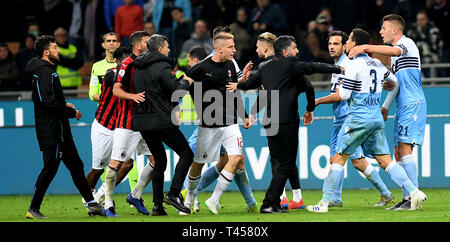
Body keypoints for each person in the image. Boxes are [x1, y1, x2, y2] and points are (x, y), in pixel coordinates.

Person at [308, 28, 427, 213]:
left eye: (348, 41)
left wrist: (343, 87)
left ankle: (324, 204)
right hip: (376, 119)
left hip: (357, 119)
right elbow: (394, 81)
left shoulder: (353, 65)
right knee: (386, 161)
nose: (347, 44)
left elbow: (345, 95)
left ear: (354, 44)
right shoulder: (377, 64)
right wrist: (384, 84)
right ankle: (414, 191)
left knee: (338, 159)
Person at [227, 35, 342, 213]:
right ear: (285, 51)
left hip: (269, 121)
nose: (297, 51)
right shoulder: (292, 66)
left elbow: (251, 83)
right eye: (295, 48)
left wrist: (238, 85)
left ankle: (275, 202)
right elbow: (313, 68)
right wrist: (337, 69)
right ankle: (270, 203)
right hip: (286, 121)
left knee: (278, 161)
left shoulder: (265, 67)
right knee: (287, 163)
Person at [349, 14, 428, 210]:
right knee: (398, 152)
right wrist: (385, 106)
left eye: (384, 28)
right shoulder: (397, 57)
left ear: (394, 30)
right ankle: (409, 196)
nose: (381, 32)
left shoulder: (406, 43)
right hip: (404, 105)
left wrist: (366, 47)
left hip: (413, 103)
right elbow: (396, 84)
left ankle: (413, 198)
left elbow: (394, 50)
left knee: (404, 150)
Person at [24, 35, 104, 219]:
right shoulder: (45, 71)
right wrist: (71, 113)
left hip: (59, 129)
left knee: (76, 165)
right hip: (53, 130)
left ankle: (92, 204)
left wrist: (64, 104)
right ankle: (33, 208)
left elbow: (49, 98)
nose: (58, 50)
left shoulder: (45, 69)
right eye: (54, 47)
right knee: (50, 167)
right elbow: (46, 101)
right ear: (46, 52)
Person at [314, 30, 395, 208]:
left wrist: (318, 101)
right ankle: (335, 198)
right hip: (339, 120)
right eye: (329, 43)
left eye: (336, 44)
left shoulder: (347, 64)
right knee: (334, 160)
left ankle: (386, 193)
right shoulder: (338, 66)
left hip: (350, 119)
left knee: (356, 161)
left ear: (345, 46)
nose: (331, 47)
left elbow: (339, 95)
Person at [180, 27, 256, 214]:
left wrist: (244, 115)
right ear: (219, 49)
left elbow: (234, 93)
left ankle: (214, 200)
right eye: (231, 47)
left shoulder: (230, 66)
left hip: (229, 122)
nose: (234, 50)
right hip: (208, 124)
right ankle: (189, 198)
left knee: (236, 157)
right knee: (198, 163)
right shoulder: (202, 67)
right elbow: (184, 83)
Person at [132, 34, 194, 216]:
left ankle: (157, 206)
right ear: (160, 49)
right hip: (161, 120)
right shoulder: (161, 66)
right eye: (167, 47)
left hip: (143, 121)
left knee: (160, 161)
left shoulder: (138, 67)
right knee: (186, 153)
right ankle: (174, 193)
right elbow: (177, 92)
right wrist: (186, 81)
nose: (169, 50)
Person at [102, 30, 154, 217]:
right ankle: (108, 203)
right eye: (148, 42)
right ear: (138, 45)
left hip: (146, 122)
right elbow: (116, 89)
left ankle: (136, 194)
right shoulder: (126, 64)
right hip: (127, 122)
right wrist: (133, 96)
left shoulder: (148, 63)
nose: (151, 44)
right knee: (116, 163)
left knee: (157, 161)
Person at [84, 46, 139, 208]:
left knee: (127, 163)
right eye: (125, 61)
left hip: (121, 126)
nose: (128, 64)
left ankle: (101, 194)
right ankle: (88, 195)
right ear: (117, 62)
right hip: (104, 125)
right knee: (97, 169)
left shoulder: (136, 75)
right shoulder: (110, 74)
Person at [406, 10, 444, 77]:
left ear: (427, 20)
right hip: (416, 61)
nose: (420, 22)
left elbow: (435, 46)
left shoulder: (434, 30)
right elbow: (409, 45)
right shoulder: (412, 30)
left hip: (432, 60)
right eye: (418, 19)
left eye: (422, 19)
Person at [54, 27, 84, 95]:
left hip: (74, 83)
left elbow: (80, 63)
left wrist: (67, 61)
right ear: (55, 38)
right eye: (59, 36)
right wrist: (73, 62)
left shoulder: (73, 48)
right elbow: (63, 61)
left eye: (63, 35)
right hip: (60, 85)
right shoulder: (53, 50)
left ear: (67, 36)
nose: (61, 37)